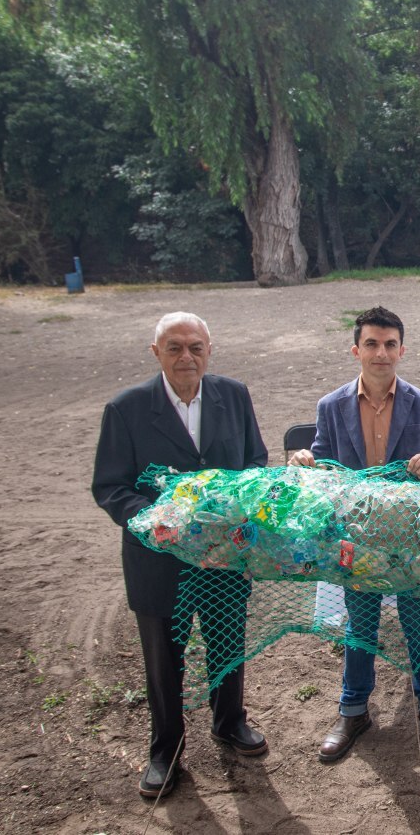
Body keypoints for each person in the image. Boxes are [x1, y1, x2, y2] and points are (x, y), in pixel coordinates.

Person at [92, 312, 268, 799]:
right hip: (158, 560)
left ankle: (230, 722)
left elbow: (254, 462)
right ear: (156, 354)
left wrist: (233, 510)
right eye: (174, 348)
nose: (186, 357)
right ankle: (165, 750)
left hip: (223, 555)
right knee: (163, 662)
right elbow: (110, 486)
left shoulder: (232, 395)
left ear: (209, 350)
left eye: (195, 347)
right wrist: (157, 519)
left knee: (228, 643)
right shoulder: (126, 409)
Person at [288, 306, 420, 762]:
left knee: (417, 620)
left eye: (390, 344)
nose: (381, 353)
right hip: (356, 537)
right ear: (356, 349)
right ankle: (353, 710)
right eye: (371, 344)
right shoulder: (332, 405)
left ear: (402, 350)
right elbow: (324, 463)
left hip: (409, 537)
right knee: (360, 625)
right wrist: (306, 462)